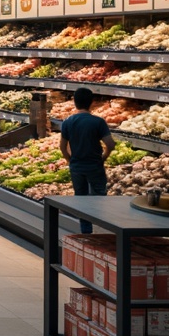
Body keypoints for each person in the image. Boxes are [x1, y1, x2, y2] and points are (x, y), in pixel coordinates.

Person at [60, 87, 115, 233]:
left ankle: (86, 232)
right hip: (95, 166)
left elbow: (63, 147)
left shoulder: (68, 122)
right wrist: (103, 157)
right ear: (91, 102)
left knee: (81, 201)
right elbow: (110, 144)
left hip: (77, 167)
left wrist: (70, 161)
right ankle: (101, 233)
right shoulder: (98, 122)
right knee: (99, 199)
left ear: (74, 102)